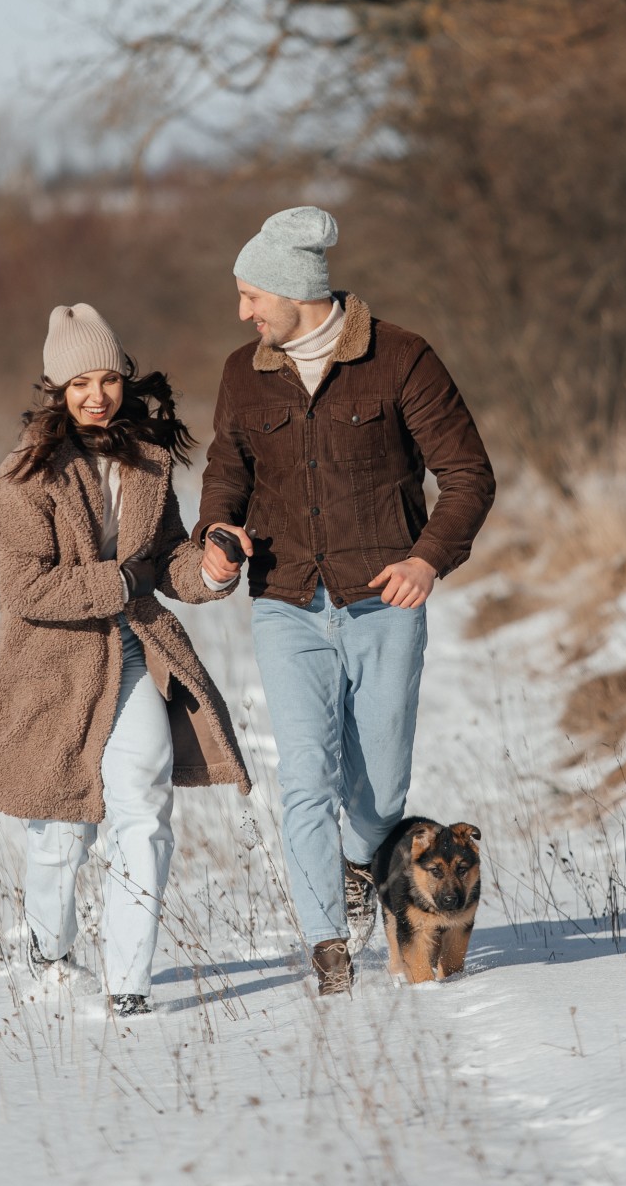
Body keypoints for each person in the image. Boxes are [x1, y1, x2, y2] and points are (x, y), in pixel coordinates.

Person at [198, 207, 495, 995]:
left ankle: (365, 865)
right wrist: (217, 535)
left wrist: (429, 559)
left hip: (382, 603)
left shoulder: (400, 358)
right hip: (285, 603)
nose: (243, 312)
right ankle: (326, 943)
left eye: (251, 294)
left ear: (296, 291)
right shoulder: (242, 371)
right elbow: (225, 475)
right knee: (305, 777)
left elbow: (467, 476)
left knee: (377, 794)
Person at [0, 303, 251, 1018]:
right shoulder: (26, 475)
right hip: (52, 669)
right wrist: (118, 582)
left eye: (106, 378)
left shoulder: (149, 461)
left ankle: (130, 983)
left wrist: (211, 570)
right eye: (78, 383)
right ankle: (50, 950)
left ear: (123, 377)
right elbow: (26, 587)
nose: (96, 395)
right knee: (63, 832)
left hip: (132, 653)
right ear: (56, 391)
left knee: (145, 806)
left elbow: (169, 563)